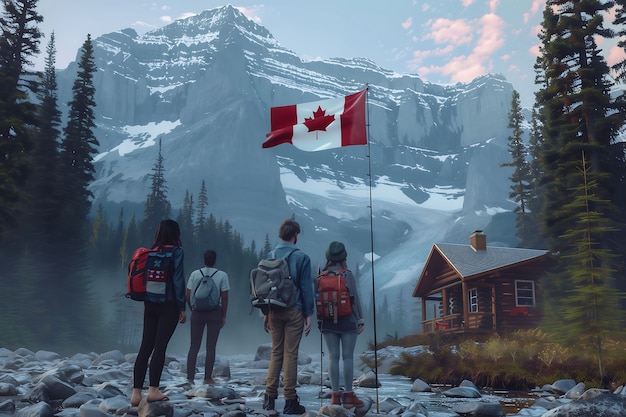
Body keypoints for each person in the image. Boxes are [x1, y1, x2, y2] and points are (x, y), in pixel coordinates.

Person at [131, 219, 186, 407]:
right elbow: (178, 280)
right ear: (175, 234)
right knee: (160, 346)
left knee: (145, 346)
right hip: (168, 305)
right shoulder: (177, 252)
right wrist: (182, 307)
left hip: (150, 303)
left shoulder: (151, 252)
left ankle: (136, 393)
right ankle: (153, 390)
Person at [262, 219, 314, 414]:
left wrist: (265, 313)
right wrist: (309, 314)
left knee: (276, 352)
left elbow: (264, 287)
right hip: (294, 310)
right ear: (295, 235)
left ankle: (269, 398)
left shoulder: (269, 255)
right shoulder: (302, 257)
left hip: (273, 309)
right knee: (290, 355)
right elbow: (305, 288)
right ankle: (290, 401)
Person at [318, 241, 365, 408]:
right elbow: (354, 299)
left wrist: (319, 321)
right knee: (347, 356)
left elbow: (317, 301)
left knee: (332, 357)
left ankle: (335, 396)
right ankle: (349, 394)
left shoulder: (321, 276)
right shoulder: (347, 275)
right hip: (347, 320)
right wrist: (360, 319)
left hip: (327, 322)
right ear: (344, 257)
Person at [186, 250, 230, 385]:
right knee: (211, 347)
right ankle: (207, 378)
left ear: (204, 260)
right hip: (214, 313)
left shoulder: (195, 274)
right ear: (215, 260)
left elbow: (188, 295)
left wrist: (192, 309)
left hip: (197, 313)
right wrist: (223, 316)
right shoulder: (222, 275)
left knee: (194, 346)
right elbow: (225, 298)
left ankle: (190, 378)